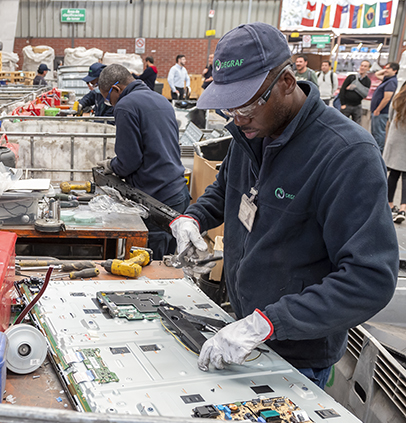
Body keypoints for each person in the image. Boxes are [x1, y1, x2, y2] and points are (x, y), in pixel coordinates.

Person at [170, 22, 398, 389]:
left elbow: (369, 279)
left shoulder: (346, 155)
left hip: (298, 356)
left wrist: (268, 321)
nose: (237, 119)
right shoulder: (252, 133)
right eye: (229, 109)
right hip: (244, 333)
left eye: (245, 106)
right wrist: (192, 218)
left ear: (287, 83)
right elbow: (226, 190)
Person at [96, 64, 190, 259]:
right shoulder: (161, 100)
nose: (109, 103)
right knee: (168, 262)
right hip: (178, 194)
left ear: (116, 89)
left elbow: (129, 161)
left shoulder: (125, 106)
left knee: (150, 267)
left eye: (107, 98)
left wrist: (111, 165)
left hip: (155, 199)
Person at [384, 82, 406, 223]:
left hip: (396, 137)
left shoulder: (397, 99)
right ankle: (404, 207)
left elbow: (390, 118)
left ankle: (389, 205)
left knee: (393, 174)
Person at [371, 62, 400, 152]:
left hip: (381, 112)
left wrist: (378, 109)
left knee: (379, 133)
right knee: (375, 132)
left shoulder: (391, 82)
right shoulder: (387, 79)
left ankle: (378, 151)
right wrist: (386, 70)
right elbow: (376, 74)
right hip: (378, 111)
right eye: (385, 68)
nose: (385, 70)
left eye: (388, 68)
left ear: (395, 71)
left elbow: (387, 98)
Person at [339, 60, 371, 125]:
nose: (362, 67)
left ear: (368, 69)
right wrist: (343, 104)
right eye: (362, 65)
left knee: (356, 125)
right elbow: (342, 90)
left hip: (357, 106)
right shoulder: (351, 77)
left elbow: (365, 94)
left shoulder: (367, 81)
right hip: (346, 106)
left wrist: (355, 87)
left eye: (365, 66)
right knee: (341, 124)